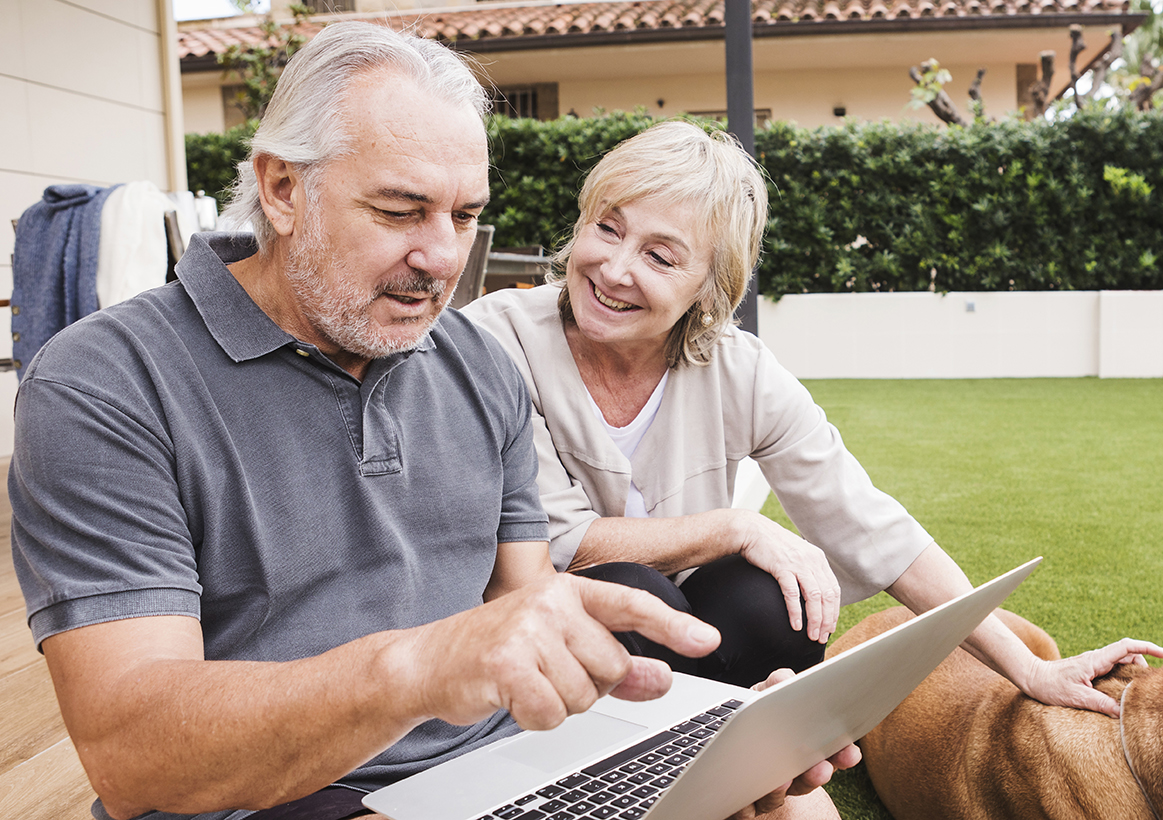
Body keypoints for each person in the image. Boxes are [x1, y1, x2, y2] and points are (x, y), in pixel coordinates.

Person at [8, 24, 853, 820]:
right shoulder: (106, 383)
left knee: (797, 805)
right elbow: (133, 755)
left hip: (503, 768)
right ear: (281, 188)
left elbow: (527, 608)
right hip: (286, 798)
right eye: (401, 210)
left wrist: (704, 736)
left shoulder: (477, 365)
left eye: (464, 215)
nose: (444, 258)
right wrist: (419, 667)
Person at [463, 121, 1163, 714]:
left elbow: (869, 526)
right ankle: (668, 746)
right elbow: (556, 546)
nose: (615, 268)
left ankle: (720, 737)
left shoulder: (738, 367)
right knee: (628, 590)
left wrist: (1029, 670)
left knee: (776, 597)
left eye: (659, 256)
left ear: (709, 290)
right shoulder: (499, 339)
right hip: (535, 632)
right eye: (607, 229)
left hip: (674, 646)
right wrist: (737, 526)